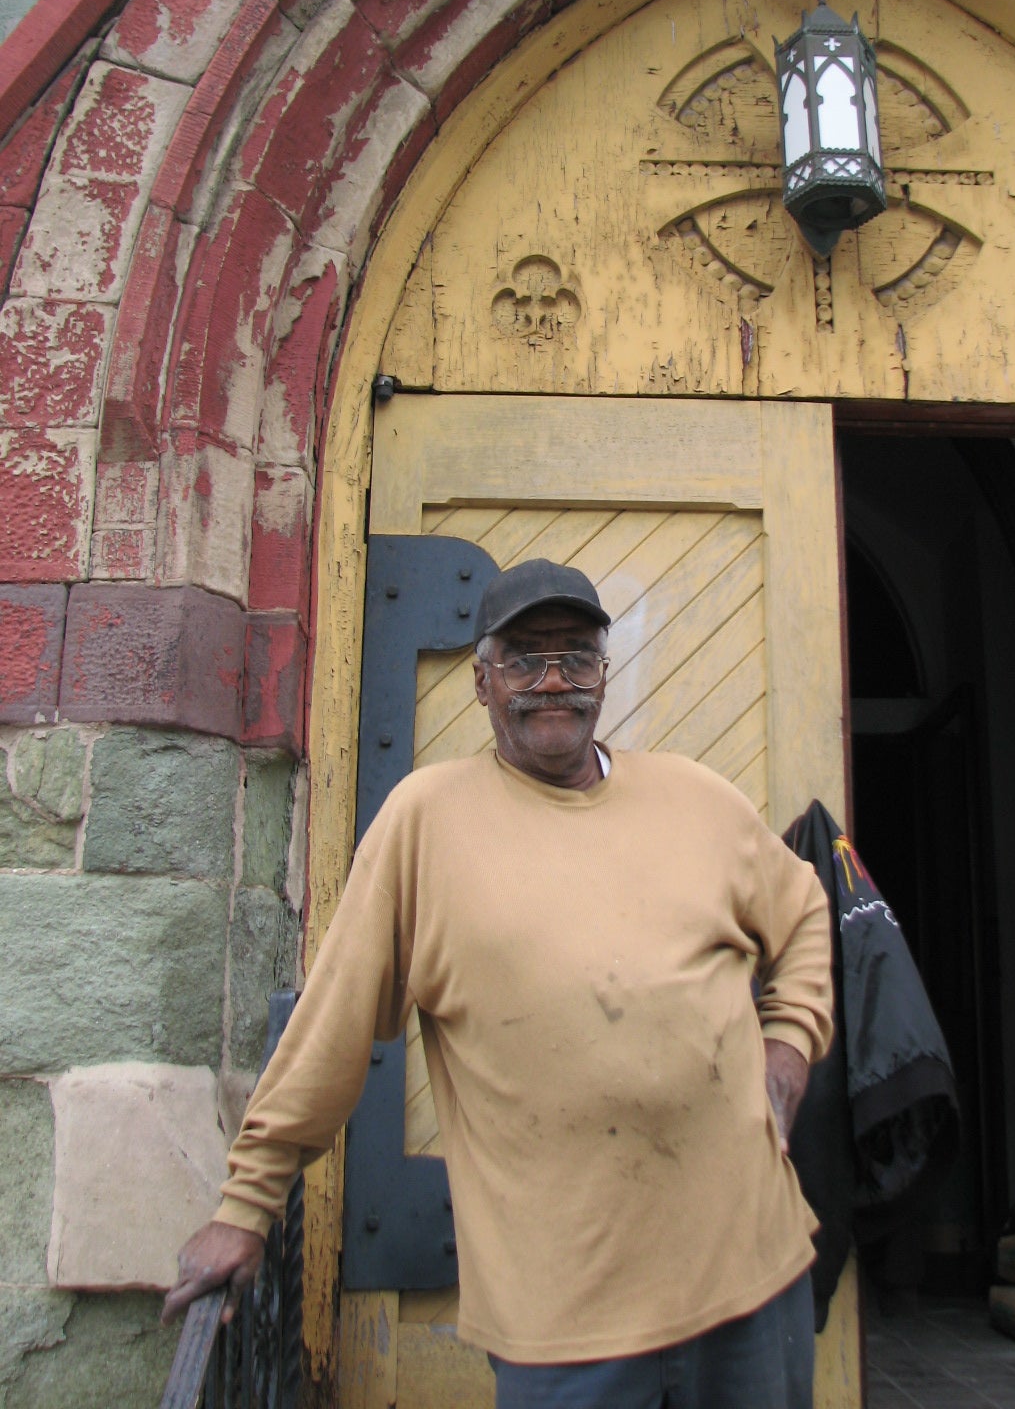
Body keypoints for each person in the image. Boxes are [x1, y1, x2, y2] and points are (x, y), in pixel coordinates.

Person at [164, 558, 834, 1408]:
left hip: (754, 1279)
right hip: (565, 1324)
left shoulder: (696, 799)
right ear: (481, 683)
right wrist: (246, 1206)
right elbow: (328, 1032)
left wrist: (790, 1040)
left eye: (576, 657)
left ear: (603, 672)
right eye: (524, 659)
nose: (552, 682)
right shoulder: (425, 824)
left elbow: (805, 909)